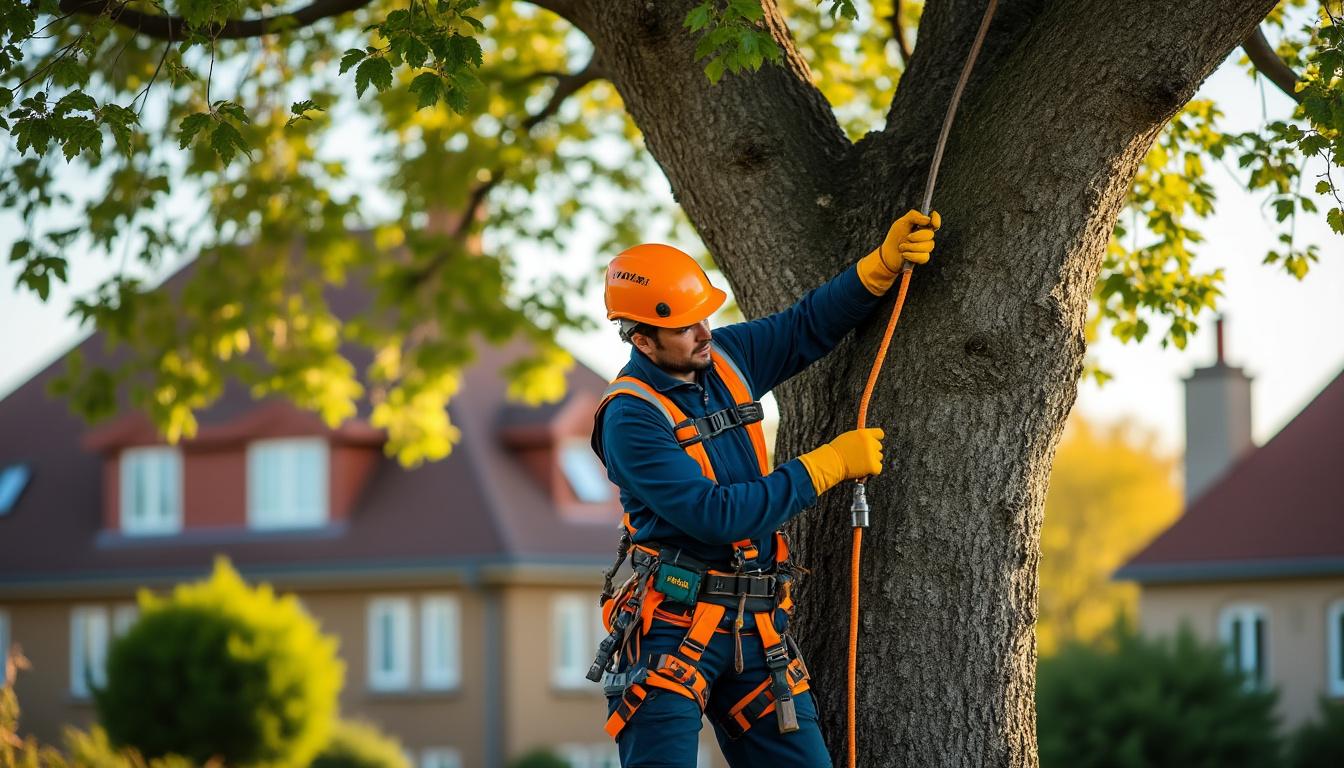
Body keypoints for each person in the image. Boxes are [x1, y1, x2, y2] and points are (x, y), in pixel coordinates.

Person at [588, 210, 941, 767]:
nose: (704, 332)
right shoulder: (630, 418)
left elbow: (806, 326)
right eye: (685, 326)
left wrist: (879, 268)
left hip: (754, 629)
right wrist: (824, 467)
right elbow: (715, 515)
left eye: (704, 317)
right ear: (643, 339)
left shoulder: (725, 358)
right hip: (671, 630)